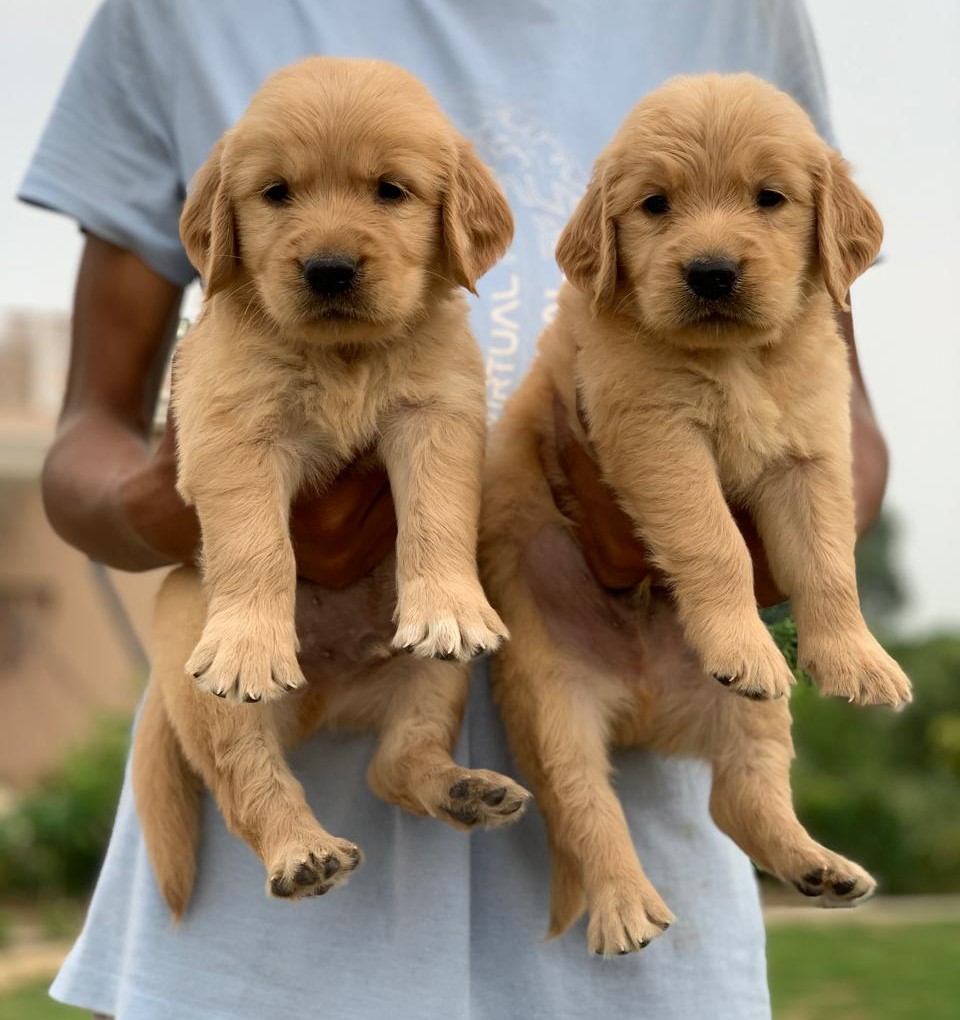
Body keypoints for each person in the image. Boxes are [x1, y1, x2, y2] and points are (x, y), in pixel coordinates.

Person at [20, 2, 889, 1017]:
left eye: (390, 192)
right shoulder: (178, 15)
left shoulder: (742, 17)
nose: (331, 244)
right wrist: (190, 509)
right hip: (264, 954)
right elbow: (85, 433)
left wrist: (728, 560)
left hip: (645, 916)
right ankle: (276, 815)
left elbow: (833, 422)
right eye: (281, 195)